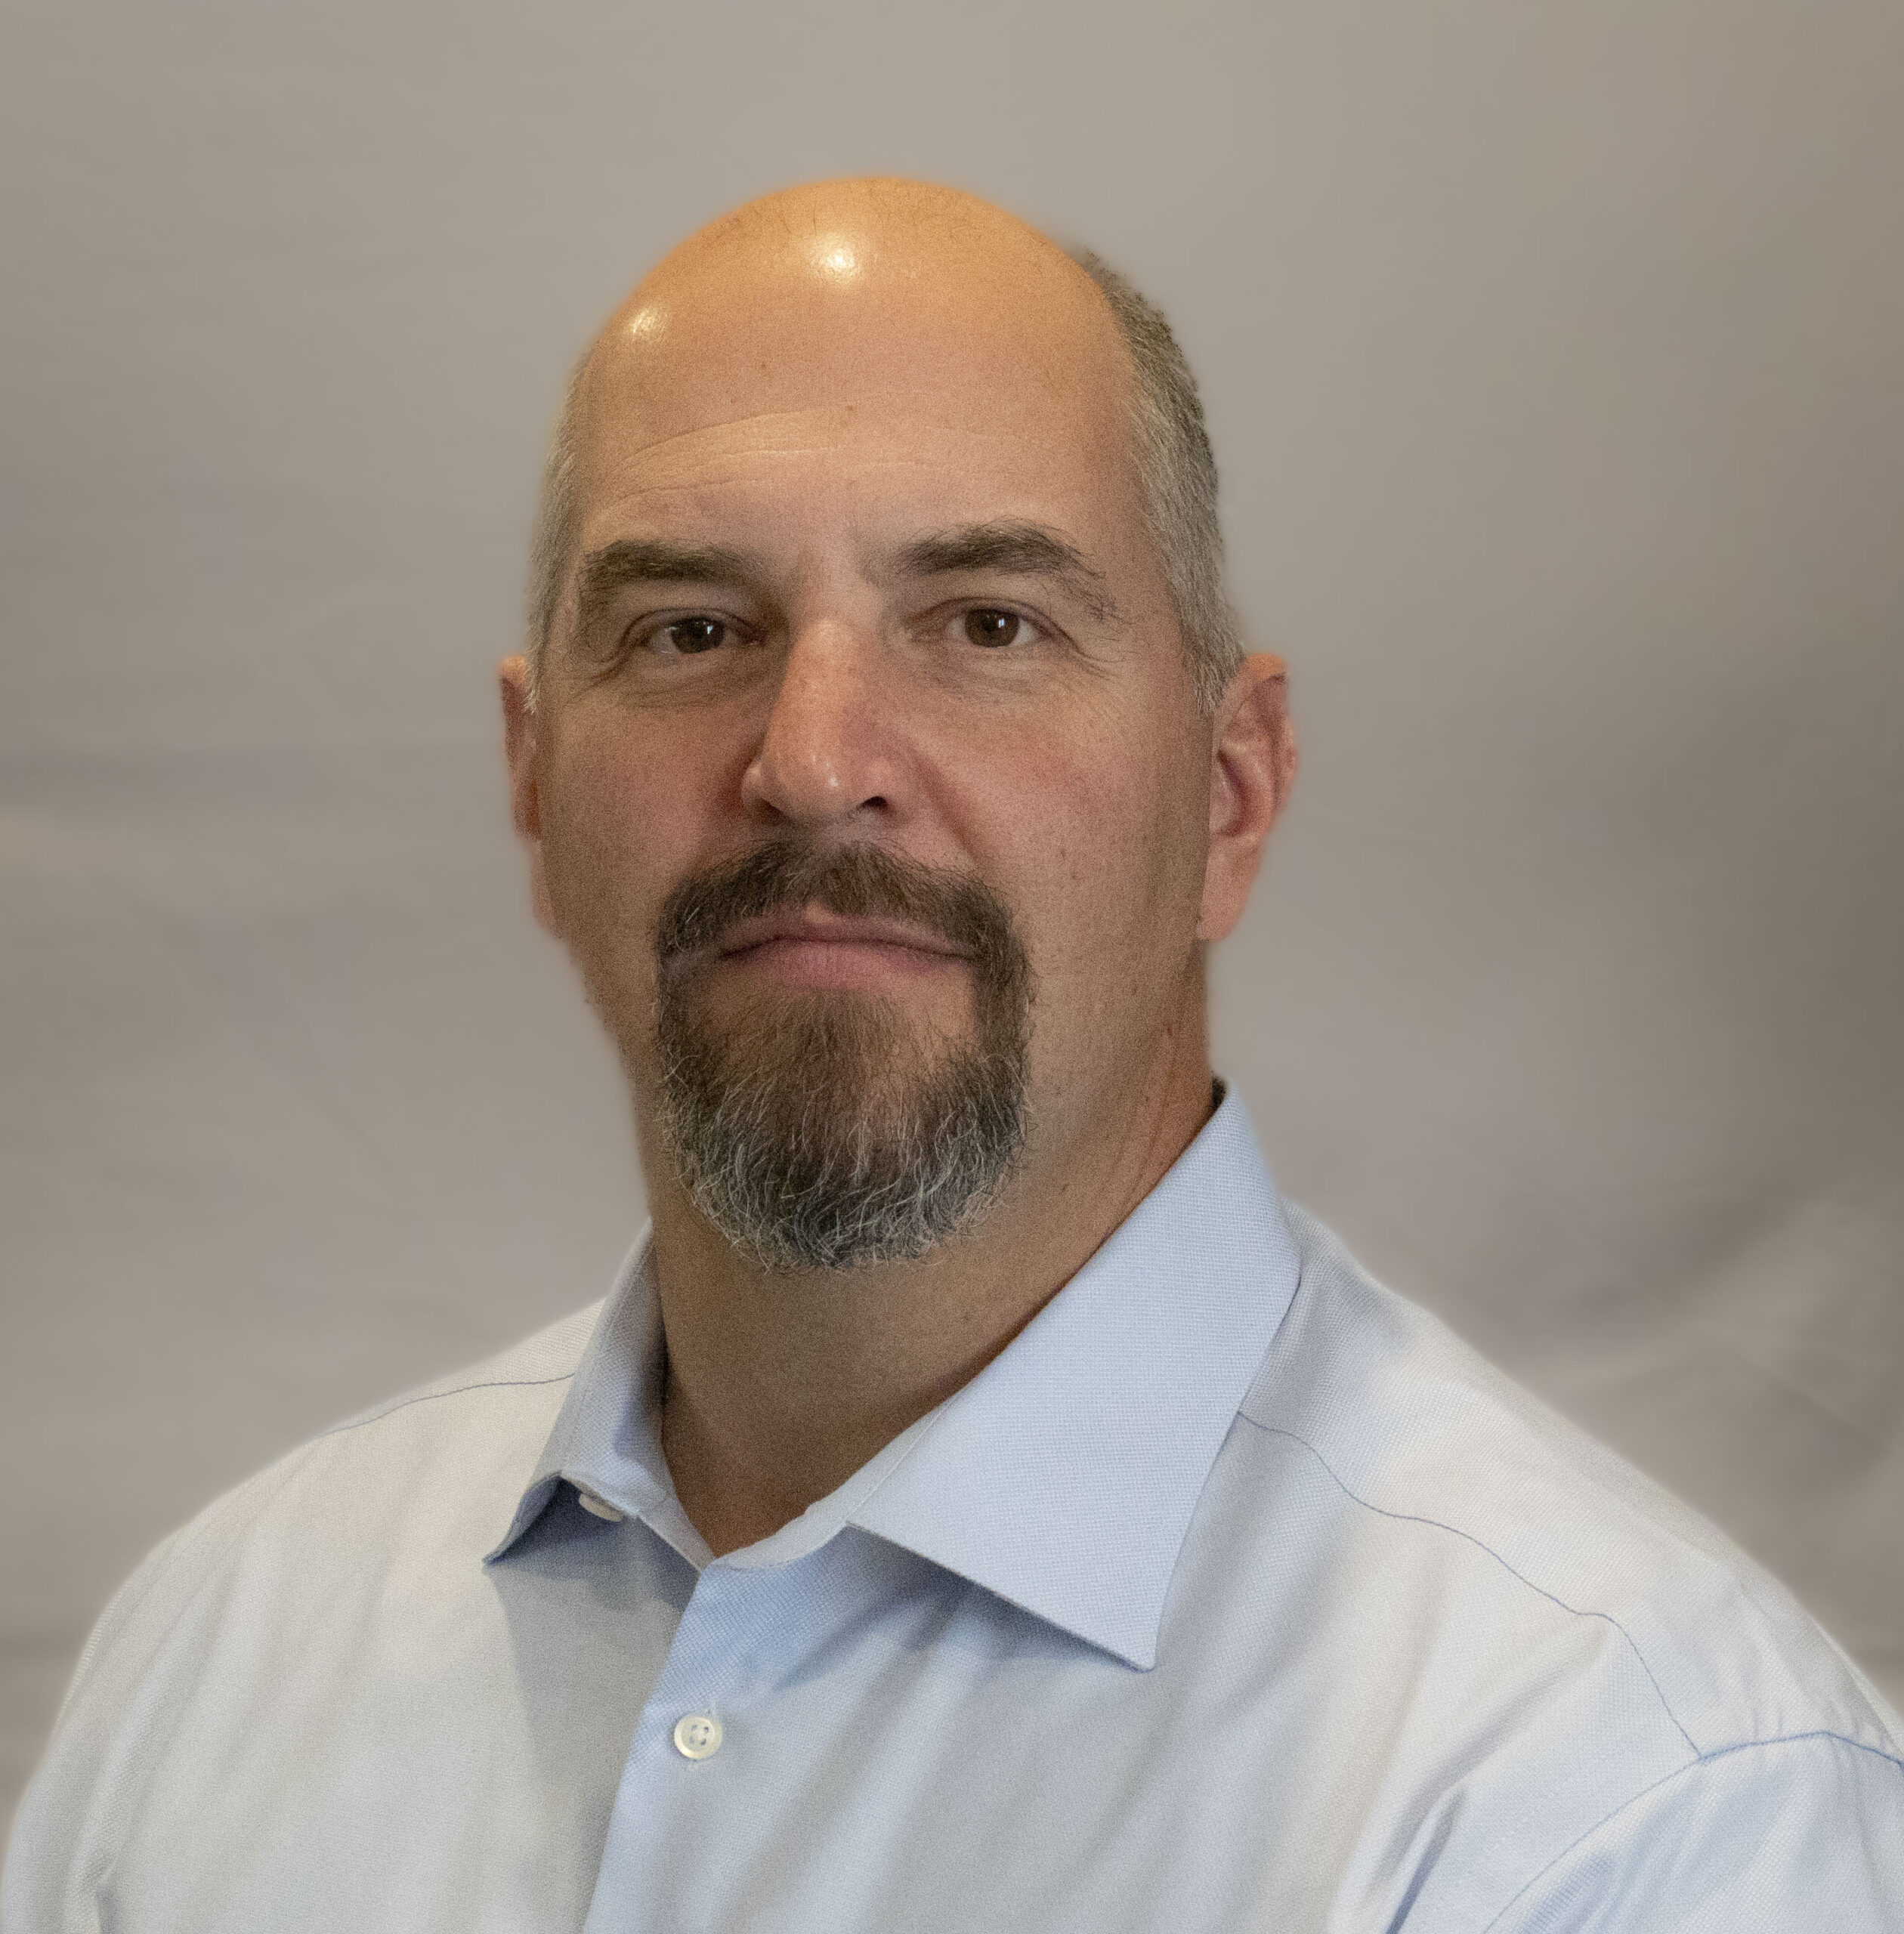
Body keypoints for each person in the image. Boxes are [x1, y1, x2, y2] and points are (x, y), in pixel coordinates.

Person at [5, 177, 1899, 1934]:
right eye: (688, 628)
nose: (816, 757)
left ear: (1230, 798)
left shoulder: (1627, 1807)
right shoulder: (221, 1648)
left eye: (987, 621)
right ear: (533, 778)